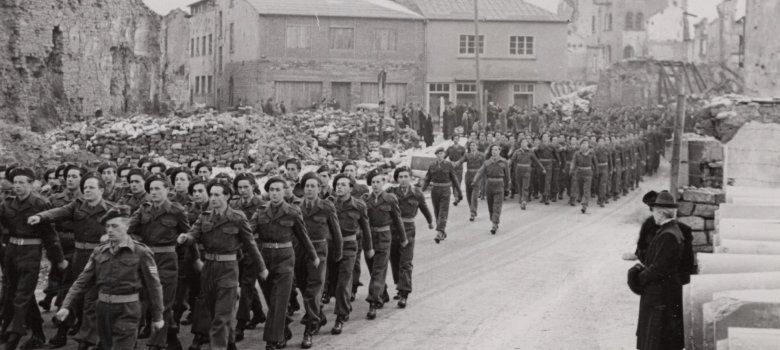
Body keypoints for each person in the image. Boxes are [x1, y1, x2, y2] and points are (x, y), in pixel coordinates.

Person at [56, 205, 164, 350]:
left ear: (127, 226)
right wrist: (66, 306)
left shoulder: (141, 252)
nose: (110, 230)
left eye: (115, 226)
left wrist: (158, 317)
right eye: (107, 226)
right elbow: (82, 281)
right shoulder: (99, 251)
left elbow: (154, 286)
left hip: (128, 310)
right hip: (103, 309)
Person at [177, 180, 268, 350]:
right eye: (211, 194)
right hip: (208, 268)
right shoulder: (204, 217)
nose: (213, 198)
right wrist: (185, 238)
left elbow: (251, 245)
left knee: (222, 314)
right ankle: (230, 342)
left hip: (228, 268)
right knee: (213, 311)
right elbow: (193, 234)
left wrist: (262, 268)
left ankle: (217, 346)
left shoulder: (237, 217)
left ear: (227, 196)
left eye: (217, 194)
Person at [28, 172, 114, 349]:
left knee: (95, 299)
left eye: (91, 187)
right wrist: (42, 216)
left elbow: (127, 228)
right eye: (85, 187)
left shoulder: (112, 210)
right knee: (71, 296)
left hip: (101, 258)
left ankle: (94, 339)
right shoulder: (77, 205)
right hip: (79, 257)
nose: (87, 190)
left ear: (102, 190)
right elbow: (59, 212)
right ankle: (62, 334)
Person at [0, 168, 68, 350]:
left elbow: (50, 236)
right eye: (15, 182)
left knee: (22, 296)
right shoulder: (7, 204)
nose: (17, 186)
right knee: (16, 293)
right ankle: (37, 334)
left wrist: (59, 260)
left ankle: (14, 336)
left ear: (31, 184)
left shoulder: (40, 204)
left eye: (22, 182)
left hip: (31, 253)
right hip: (11, 253)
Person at [249, 177, 318, 350]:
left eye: (278, 189)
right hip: (265, 259)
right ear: (267, 192)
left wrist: (313, 256)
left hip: (285, 258)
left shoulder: (292, 212)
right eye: (271, 189)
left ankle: (273, 340)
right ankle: (283, 327)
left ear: (284, 191)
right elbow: (248, 232)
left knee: (279, 300)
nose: (275, 193)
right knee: (272, 300)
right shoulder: (260, 212)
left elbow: (303, 237)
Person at [127, 174, 191, 350]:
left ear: (167, 190)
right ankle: (171, 336)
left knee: (163, 303)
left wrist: (188, 259)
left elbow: (188, 236)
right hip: (146, 260)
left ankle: (156, 344)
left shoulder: (176, 211)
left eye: (158, 189)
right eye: (151, 189)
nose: (153, 192)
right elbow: (128, 228)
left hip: (168, 260)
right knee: (145, 300)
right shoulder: (143, 209)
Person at [633, 191, 685, 350]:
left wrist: (638, 277)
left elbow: (658, 268)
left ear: (661, 213)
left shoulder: (668, 235)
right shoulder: (670, 230)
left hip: (660, 297)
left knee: (656, 340)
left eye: (654, 211)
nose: (653, 215)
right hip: (663, 294)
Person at [297, 173, 342, 348]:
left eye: (313, 186)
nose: (309, 189)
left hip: (320, 250)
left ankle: (310, 327)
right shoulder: (295, 207)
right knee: (302, 285)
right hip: (300, 250)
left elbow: (336, 231)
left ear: (319, 188)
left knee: (313, 290)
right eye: (307, 186)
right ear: (303, 188)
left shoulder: (326, 207)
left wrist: (338, 252)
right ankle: (319, 316)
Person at [325, 174, 373, 335]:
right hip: (331, 246)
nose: (339, 187)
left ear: (351, 188)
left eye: (343, 184)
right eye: (337, 184)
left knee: (343, 281)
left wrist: (369, 248)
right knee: (330, 280)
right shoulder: (329, 204)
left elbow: (366, 229)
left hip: (349, 246)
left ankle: (340, 316)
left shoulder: (358, 205)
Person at [362, 169, 406, 320]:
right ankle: (383, 293)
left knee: (378, 271)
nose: (375, 185)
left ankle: (373, 303)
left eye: (378, 182)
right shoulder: (365, 201)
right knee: (372, 267)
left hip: (384, 237)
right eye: (373, 182)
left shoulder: (390, 199)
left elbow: (398, 219)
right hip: (368, 239)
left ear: (383, 182)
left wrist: (403, 237)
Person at [386, 167, 432, 308]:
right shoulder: (391, 192)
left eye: (406, 176)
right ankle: (399, 286)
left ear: (411, 178)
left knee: (406, 261)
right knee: (394, 259)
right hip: (393, 230)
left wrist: (430, 221)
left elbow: (424, 208)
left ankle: (404, 292)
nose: (403, 179)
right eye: (400, 177)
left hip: (409, 230)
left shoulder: (416, 193)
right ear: (397, 179)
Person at [229, 174, 267, 342]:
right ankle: (258, 313)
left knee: (246, 285)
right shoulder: (233, 204)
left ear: (253, 186)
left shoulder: (261, 204)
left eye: (246, 187)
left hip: (254, 249)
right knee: (244, 284)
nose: (243, 190)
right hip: (237, 249)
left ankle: (240, 324)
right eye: (240, 187)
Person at [421, 148, 462, 243]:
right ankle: (442, 231)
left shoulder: (448, 165)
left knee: (443, 211)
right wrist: (420, 191)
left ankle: (439, 232)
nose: (440, 155)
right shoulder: (432, 165)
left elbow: (454, 178)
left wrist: (459, 192)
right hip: (435, 190)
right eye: (438, 154)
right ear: (436, 155)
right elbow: (427, 178)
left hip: (445, 190)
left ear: (444, 155)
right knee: (437, 211)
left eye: (442, 153)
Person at [472, 145, 511, 234]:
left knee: (497, 205)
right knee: (490, 206)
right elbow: (480, 172)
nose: (494, 151)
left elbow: (508, 176)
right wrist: (474, 181)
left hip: (499, 184)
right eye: (493, 150)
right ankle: (493, 219)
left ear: (499, 151)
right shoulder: (487, 162)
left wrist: (508, 187)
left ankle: (494, 223)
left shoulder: (504, 162)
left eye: (496, 150)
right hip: (489, 184)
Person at [510, 139, 545, 210]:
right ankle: (521, 197)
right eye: (522, 142)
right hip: (518, 170)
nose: (524, 144)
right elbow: (512, 161)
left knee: (525, 186)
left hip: (527, 170)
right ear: (520, 144)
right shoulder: (517, 152)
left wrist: (543, 168)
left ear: (527, 144)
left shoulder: (530, 152)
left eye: (525, 142)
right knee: (519, 186)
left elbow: (536, 161)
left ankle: (524, 201)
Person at [457, 141, 485, 221]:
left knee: (474, 195)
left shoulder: (481, 155)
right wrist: (455, 164)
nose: (472, 147)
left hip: (477, 175)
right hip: (468, 175)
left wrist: (483, 176)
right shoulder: (467, 155)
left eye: (474, 145)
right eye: (471, 145)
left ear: (477, 146)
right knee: (469, 194)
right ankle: (472, 209)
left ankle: (472, 212)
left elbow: (484, 166)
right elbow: (461, 161)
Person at [569, 139, 597, 214]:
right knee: (580, 188)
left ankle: (584, 205)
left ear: (588, 145)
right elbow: (573, 162)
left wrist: (597, 171)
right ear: (580, 145)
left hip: (588, 172)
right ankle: (580, 197)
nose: (584, 145)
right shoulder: (577, 153)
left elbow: (595, 163)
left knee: (586, 190)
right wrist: (571, 169)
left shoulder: (591, 153)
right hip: (579, 173)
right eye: (583, 143)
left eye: (586, 143)